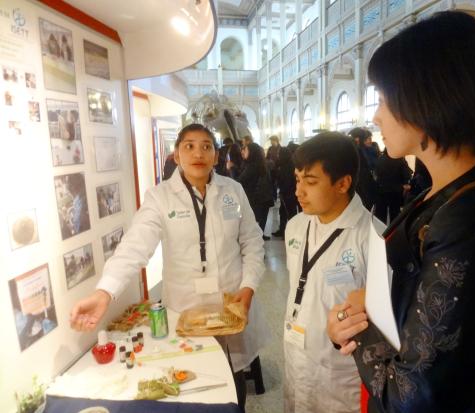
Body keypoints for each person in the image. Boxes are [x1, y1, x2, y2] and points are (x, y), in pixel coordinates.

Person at [326, 11, 475, 413]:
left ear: (426, 102)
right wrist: (362, 310)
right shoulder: (448, 192)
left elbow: (411, 397)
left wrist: (359, 329)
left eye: (385, 100)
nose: (376, 116)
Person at [70, 123, 269, 411]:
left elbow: (253, 243)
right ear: (176, 155)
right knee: (192, 379)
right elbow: (134, 246)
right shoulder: (160, 197)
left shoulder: (233, 192)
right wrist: (104, 292)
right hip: (187, 307)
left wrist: (248, 286)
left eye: (206, 146)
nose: (198, 153)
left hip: (232, 304)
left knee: (233, 380)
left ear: (216, 155)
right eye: (189, 146)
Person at [284, 133, 377, 413]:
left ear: (343, 183)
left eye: (310, 182)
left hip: (340, 374)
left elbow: (385, 324)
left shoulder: (373, 238)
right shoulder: (296, 226)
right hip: (295, 353)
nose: (299, 191)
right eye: (298, 179)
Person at [228, 142, 274, 240]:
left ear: (252, 152)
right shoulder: (260, 163)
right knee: (260, 221)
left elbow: (239, 182)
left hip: (255, 199)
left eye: (246, 150)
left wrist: (231, 168)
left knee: (253, 222)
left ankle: (256, 240)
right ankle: (260, 237)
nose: (243, 151)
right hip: (264, 197)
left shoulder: (252, 166)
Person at [373, 148, 412, 224]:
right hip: (395, 191)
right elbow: (407, 175)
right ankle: (392, 235)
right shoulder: (399, 160)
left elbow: (376, 174)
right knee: (394, 215)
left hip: (381, 190)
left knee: (381, 216)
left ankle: (380, 233)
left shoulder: (379, 159)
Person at [348, 127, 379, 210]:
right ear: (358, 139)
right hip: (361, 183)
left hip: (363, 182)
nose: (367, 141)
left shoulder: (363, 150)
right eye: (365, 138)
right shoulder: (356, 150)